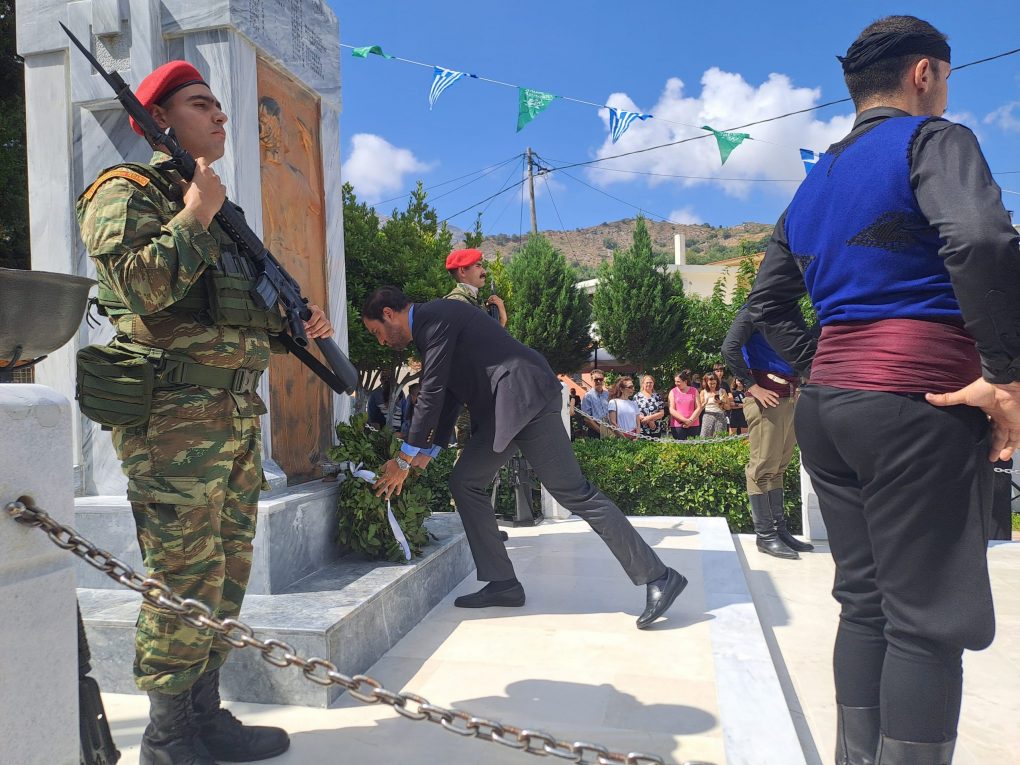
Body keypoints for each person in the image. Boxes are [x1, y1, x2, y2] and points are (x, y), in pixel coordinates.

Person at [745, 16, 1020, 763]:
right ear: (925, 73)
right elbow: (984, 239)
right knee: (927, 618)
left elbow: (763, 305)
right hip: (915, 404)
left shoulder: (814, 181)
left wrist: (824, 360)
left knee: (864, 603)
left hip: (830, 409)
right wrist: (1003, 371)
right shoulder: (934, 141)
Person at [76, 61, 334, 765]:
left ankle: (205, 718)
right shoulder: (123, 192)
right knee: (182, 579)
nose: (220, 115)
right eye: (201, 104)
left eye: (220, 104)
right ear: (158, 120)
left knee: (224, 575)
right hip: (170, 421)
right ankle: (166, 739)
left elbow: (234, 311)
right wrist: (194, 213)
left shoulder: (225, 214)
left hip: (232, 419)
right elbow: (138, 283)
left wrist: (295, 321)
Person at [361, 287, 687, 629]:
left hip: (526, 399)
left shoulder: (436, 316)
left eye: (376, 333)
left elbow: (433, 392)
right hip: (503, 410)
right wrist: (428, 451)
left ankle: (660, 577)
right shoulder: (431, 327)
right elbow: (452, 393)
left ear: (387, 314)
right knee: (465, 482)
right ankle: (503, 583)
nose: (381, 341)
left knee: (573, 491)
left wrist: (403, 459)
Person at [722, 306, 813, 561]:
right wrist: (753, 387)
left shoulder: (785, 312)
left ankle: (779, 531)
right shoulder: (753, 311)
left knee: (778, 467)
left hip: (788, 397)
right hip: (765, 400)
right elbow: (729, 348)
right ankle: (765, 535)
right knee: (762, 468)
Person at [444, 248, 507, 326]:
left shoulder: (472, 300)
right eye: (478, 266)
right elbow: (482, 337)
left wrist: (501, 319)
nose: (484, 271)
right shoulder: (458, 303)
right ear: (462, 271)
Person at [668, 370, 703, 440]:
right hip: (678, 425)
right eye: (675, 381)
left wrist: (690, 421)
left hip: (694, 424)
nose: (676, 383)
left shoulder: (694, 391)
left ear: (685, 381)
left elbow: (699, 407)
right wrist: (684, 420)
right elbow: (671, 409)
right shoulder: (673, 392)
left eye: (678, 381)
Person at [580, 370, 611, 437]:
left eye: (601, 379)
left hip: (609, 429)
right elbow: (587, 419)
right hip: (595, 431)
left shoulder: (608, 395)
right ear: (591, 380)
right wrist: (601, 432)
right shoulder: (587, 397)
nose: (599, 381)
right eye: (596, 380)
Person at [698, 373, 728, 437]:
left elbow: (728, 407)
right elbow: (700, 408)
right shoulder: (703, 392)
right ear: (706, 383)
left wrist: (720, 402)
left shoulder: (722, 391)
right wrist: (705, 402)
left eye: (714, 383)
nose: (712, 385)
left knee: (720, 437)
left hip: (720, 415)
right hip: (708, 415)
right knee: (705, 436)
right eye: (710, 384)